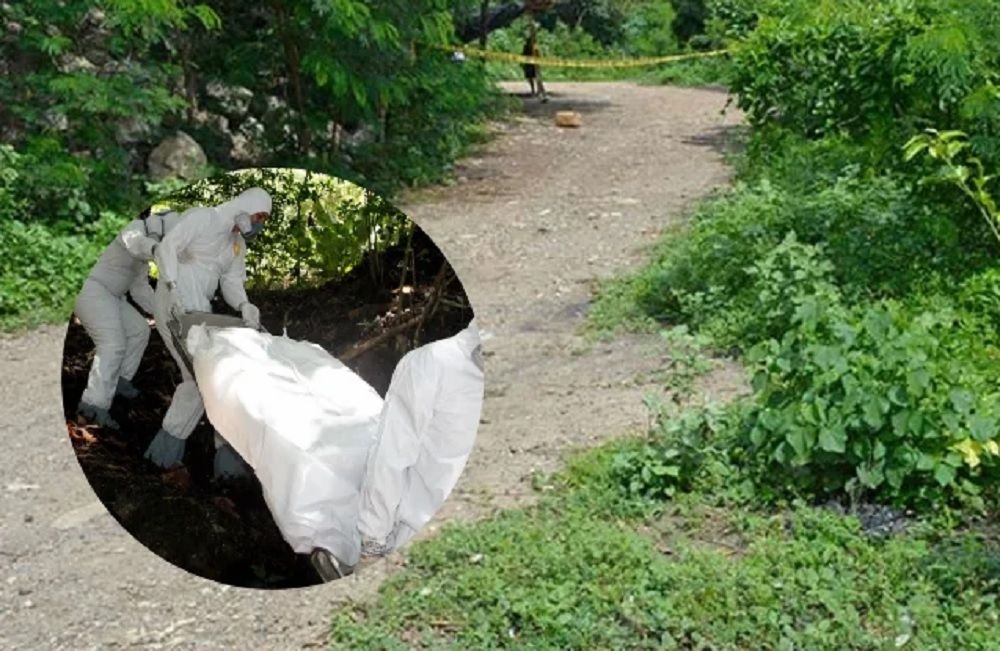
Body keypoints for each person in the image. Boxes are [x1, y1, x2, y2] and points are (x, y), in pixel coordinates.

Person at [143, 187, 271, 479]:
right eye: (258, 216)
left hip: (199, 312)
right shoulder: (203, 218)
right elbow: (167, 248)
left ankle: (173, 455)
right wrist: (172, 285)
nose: (259, 223)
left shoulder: (236, 244)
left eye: (264, 219)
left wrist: (244, 304)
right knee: (205, 377)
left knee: (209, 378)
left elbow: (231, 280)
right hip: (174, 305)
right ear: (245, 207)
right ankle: (179, 457)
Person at [344, 320, 485, 574]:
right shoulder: (433, 364)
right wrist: (372, 542)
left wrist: (372, 541)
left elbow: (390, 455)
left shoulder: (435, 365)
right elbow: (391, 458)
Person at [74, 208, 183, 429]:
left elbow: (140, 289)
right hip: (91, 289)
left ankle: (119, 381)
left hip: (114, 296)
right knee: (112, 345)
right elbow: (135, 243)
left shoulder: (143, 260)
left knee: (139, 331)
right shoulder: (132, 228)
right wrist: (156, 248)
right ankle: (92, 408)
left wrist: (165, 312)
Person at [521, 33, 548, 102]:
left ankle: (541, 91)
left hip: (535, 64)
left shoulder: (535, 46)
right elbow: (523, 55)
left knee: (538, 78)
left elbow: (538, 54)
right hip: (528, 64)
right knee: (530, 78)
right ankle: (533, 90)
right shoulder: (526, 47)